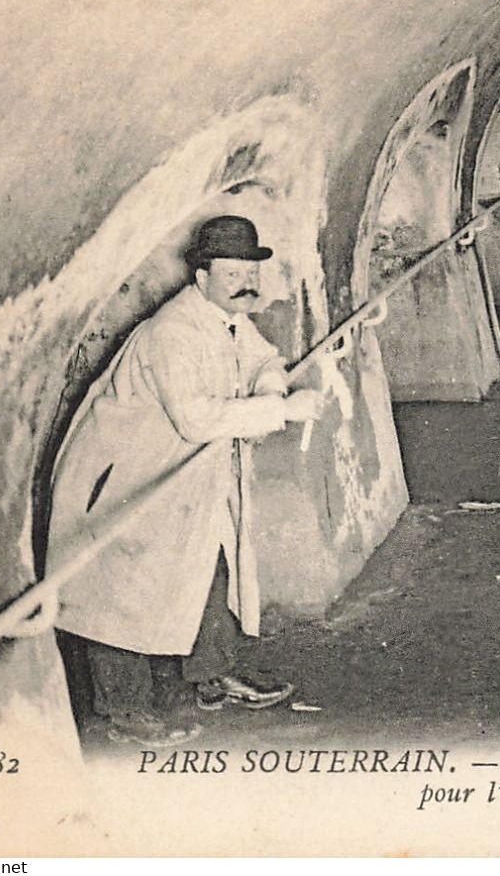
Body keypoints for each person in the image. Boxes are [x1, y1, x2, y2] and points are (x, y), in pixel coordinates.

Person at [47, 215, 326, 746]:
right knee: (118, 593)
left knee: (206, 564)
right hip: (124, 479)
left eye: (251, 270)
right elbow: (195, 418)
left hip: (179, 473)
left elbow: (262, 357)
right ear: (201, 278)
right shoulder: (173, 332)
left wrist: (270, 386)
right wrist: (281, 411)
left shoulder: (225, 317)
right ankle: (122, 708)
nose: (247, 282)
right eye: (232, 273)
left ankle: (208, 677)